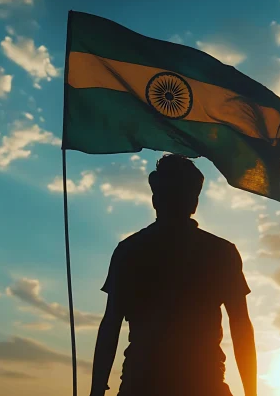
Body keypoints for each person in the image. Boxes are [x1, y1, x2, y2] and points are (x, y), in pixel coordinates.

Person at [89, 154, 257, 396]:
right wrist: (251, 391)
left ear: (155, 198)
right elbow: (241, 326)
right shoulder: (221, 252)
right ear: (194, 202)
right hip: (199, 383)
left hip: (149, 383)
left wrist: (96, 390)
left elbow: (111, 324)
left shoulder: (130, 250)